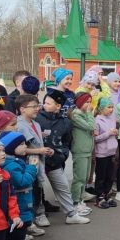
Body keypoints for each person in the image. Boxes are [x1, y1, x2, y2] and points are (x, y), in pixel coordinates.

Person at [35, 91, 90, 225]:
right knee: (37, 188)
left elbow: (67, 141)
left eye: (48, 103)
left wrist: (62, 154)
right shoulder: (37, 119)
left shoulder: (65, 122)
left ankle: (71, 214)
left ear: (58, 106)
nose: (44, 105)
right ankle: (39, 214)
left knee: (63, 186)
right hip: (38, 160)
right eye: (45, 102)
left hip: (55, 161)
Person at [0, 131, 38, 240]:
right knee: (16, 238)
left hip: (21, 206)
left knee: (15, 237)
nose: (25, 146)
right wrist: (32, 167)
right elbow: (22, 182)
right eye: (21, 144)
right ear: (10, 147)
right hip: (19, 207)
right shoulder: (11, 165)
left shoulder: (14, 162)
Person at [15, 94, 54, 232]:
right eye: (33, 106)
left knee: (37, 190)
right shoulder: (19, 125)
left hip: (37, 164)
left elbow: (36, 144)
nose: (37, 109)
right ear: (22, 109)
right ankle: (28, 223)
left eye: (38, 106)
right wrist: (41, 150)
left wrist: (43, 150)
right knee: (28, 194)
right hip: (27, 166)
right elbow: (22, 149)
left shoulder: (36, 123)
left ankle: (34, 218)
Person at [70, 92, 95, 216]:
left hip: (87, 149)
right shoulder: (76, 115)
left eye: (90, 102)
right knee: (79, 178)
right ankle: (75, 202)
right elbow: (91, 126)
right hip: (80, 150)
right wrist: (90, 113)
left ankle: (80, 200)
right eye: (86, 102)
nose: (89, 105)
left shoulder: (84, 114)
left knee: (84, 177)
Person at [94, 98, 118, 208]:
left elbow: (113, 134)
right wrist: (108, 133)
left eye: (112, 107)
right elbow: (95, 138)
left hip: (111, 151)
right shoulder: (97, 120)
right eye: (109, 107)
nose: (111, 109)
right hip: (102, 153)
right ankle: (99, 197)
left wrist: (115, 133)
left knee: (110, 176)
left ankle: (107, 194)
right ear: (101, 108)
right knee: (101, 176)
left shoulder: (111, 119)